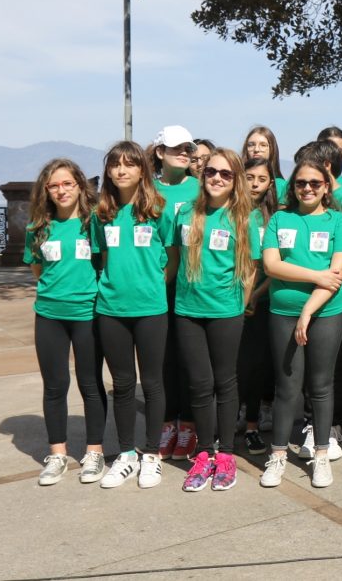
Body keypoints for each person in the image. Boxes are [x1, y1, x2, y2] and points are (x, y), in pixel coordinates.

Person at [259, 158, 342, 488]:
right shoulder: (280, 219)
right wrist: (316, 275)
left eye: (315, 183)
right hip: (283, 313)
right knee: (286, 387)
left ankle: (322, 454)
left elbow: (337, 274)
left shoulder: (338, 222)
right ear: (293, 186)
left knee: (321, 386)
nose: (308, 188)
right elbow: (272, 266)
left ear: (326, 187)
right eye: (301, 183)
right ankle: (278, 455)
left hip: (325, 313)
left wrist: (308, 311)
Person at [170, 148, 261, 491]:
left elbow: (249, 270)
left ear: (235, 179)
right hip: (188, 311)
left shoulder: (245, 218)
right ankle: (204, 453)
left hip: (226, 312)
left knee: (225, 383)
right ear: (202, 174)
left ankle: (226, 454)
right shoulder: (184, 213)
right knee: (199, 384)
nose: (217, 178)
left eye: (225, 173)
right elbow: (174, 259)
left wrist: (241, 304)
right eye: (211, 171)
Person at [93, 141, 175, 488]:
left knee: (153, 383)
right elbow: (100, 257)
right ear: (108, 171)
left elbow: (172, 256)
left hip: (151, 309)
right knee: (123, 384)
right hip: (111, 310)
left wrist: (152, 284)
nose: (121, 170)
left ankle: (151, 455)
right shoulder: (101, 213)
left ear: (143, 169)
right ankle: (126, 454)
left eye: (129, 164)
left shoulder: (158, 209)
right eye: (115, 164)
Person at [25, 159, 107, 486]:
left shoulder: (94, 222)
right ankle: (57, 454)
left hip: (87, 314)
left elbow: (104, 262)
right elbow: (38, 269)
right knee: (55, 385)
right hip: (49, 316)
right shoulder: (38, 227)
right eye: (54, 185)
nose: (61, 190)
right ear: (46, 190)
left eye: (67, 183)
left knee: (90, 383)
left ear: (80, 186)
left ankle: (94, 452)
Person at [303, 139, 342, 438]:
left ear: (326, 166)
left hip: (340, 285)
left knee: (335, 355)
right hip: (310, 283)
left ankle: (337, 414)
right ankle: (314, 416)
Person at [151, 126, 202, 463]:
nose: (184, 153)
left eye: (188, 148)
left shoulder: (200, 187)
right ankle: (168, 423)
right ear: (160, 152)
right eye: (176, 148)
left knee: (189, 359)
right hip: (156, 287)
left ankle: (190, 425)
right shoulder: (147, 190)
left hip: (193, 287)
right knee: (163, 359)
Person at [238, 156, 279, 455]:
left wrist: (255, 295)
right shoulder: (232, 212)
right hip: (229, 301)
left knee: (256, 366)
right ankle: (232, 418)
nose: (254, 184)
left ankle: (252, 424)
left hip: (261, 300)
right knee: (234, 367)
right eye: (249, 177)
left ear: (270, 183)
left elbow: (277, 265)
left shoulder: (274, 217)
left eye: (261, 179)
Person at [242, 125, 287, 203]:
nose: (256, 149)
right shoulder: (235, 180)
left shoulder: (281, 186)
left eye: (263, 145)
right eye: (251, 145)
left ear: (272, 149)